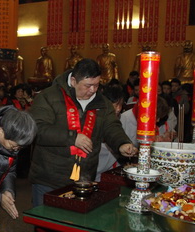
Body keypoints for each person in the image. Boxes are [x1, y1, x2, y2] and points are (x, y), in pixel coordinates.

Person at [29, 58, 137, 206]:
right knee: (47, 225)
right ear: (73, 81)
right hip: (48, 178)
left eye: (97, 85)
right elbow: (37, 129)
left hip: (83, 180)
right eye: (88, 85)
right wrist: (72, 138)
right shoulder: (48, 97)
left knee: (73, 225)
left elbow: (112, 126)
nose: (93, 90)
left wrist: (122, 143)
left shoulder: (102, 102)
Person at [96, 84, 127, 180]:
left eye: (120, 105)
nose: (118, 109)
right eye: (116, 104)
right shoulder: (95, 118)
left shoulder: (121, 118)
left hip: (109, 172)